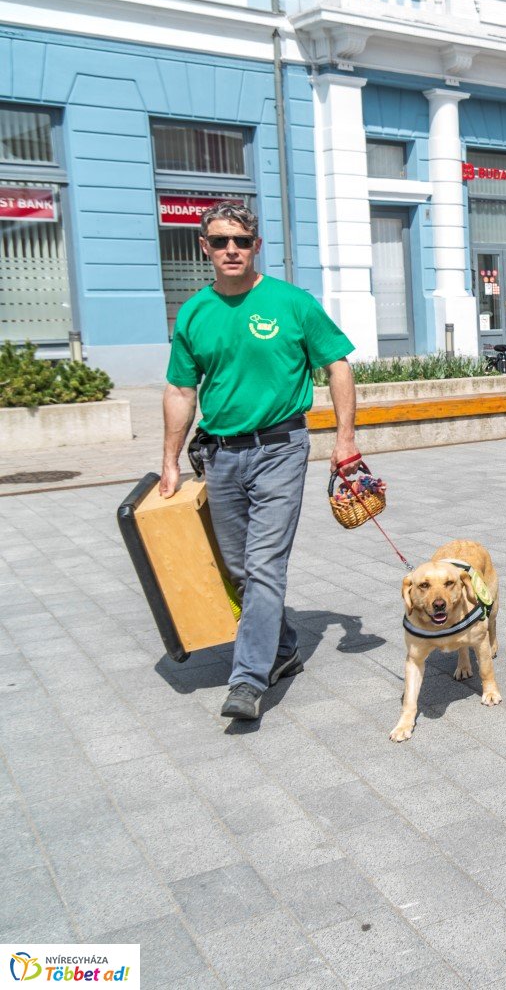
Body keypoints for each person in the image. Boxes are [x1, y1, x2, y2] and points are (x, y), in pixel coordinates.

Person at [162, 203, 359, 722]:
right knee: (239, 570)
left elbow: (338, 366)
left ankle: (248, 680)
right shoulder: (193, 312)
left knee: (265, 565)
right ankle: (283, 646)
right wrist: (167, 462)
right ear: (204, 246)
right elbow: (182, 389)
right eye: (221, 241)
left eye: (242, 241)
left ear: (256, 246)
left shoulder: (291, 303)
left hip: (280, 449)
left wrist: (344, 440)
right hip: (221, 455)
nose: (232, 250)